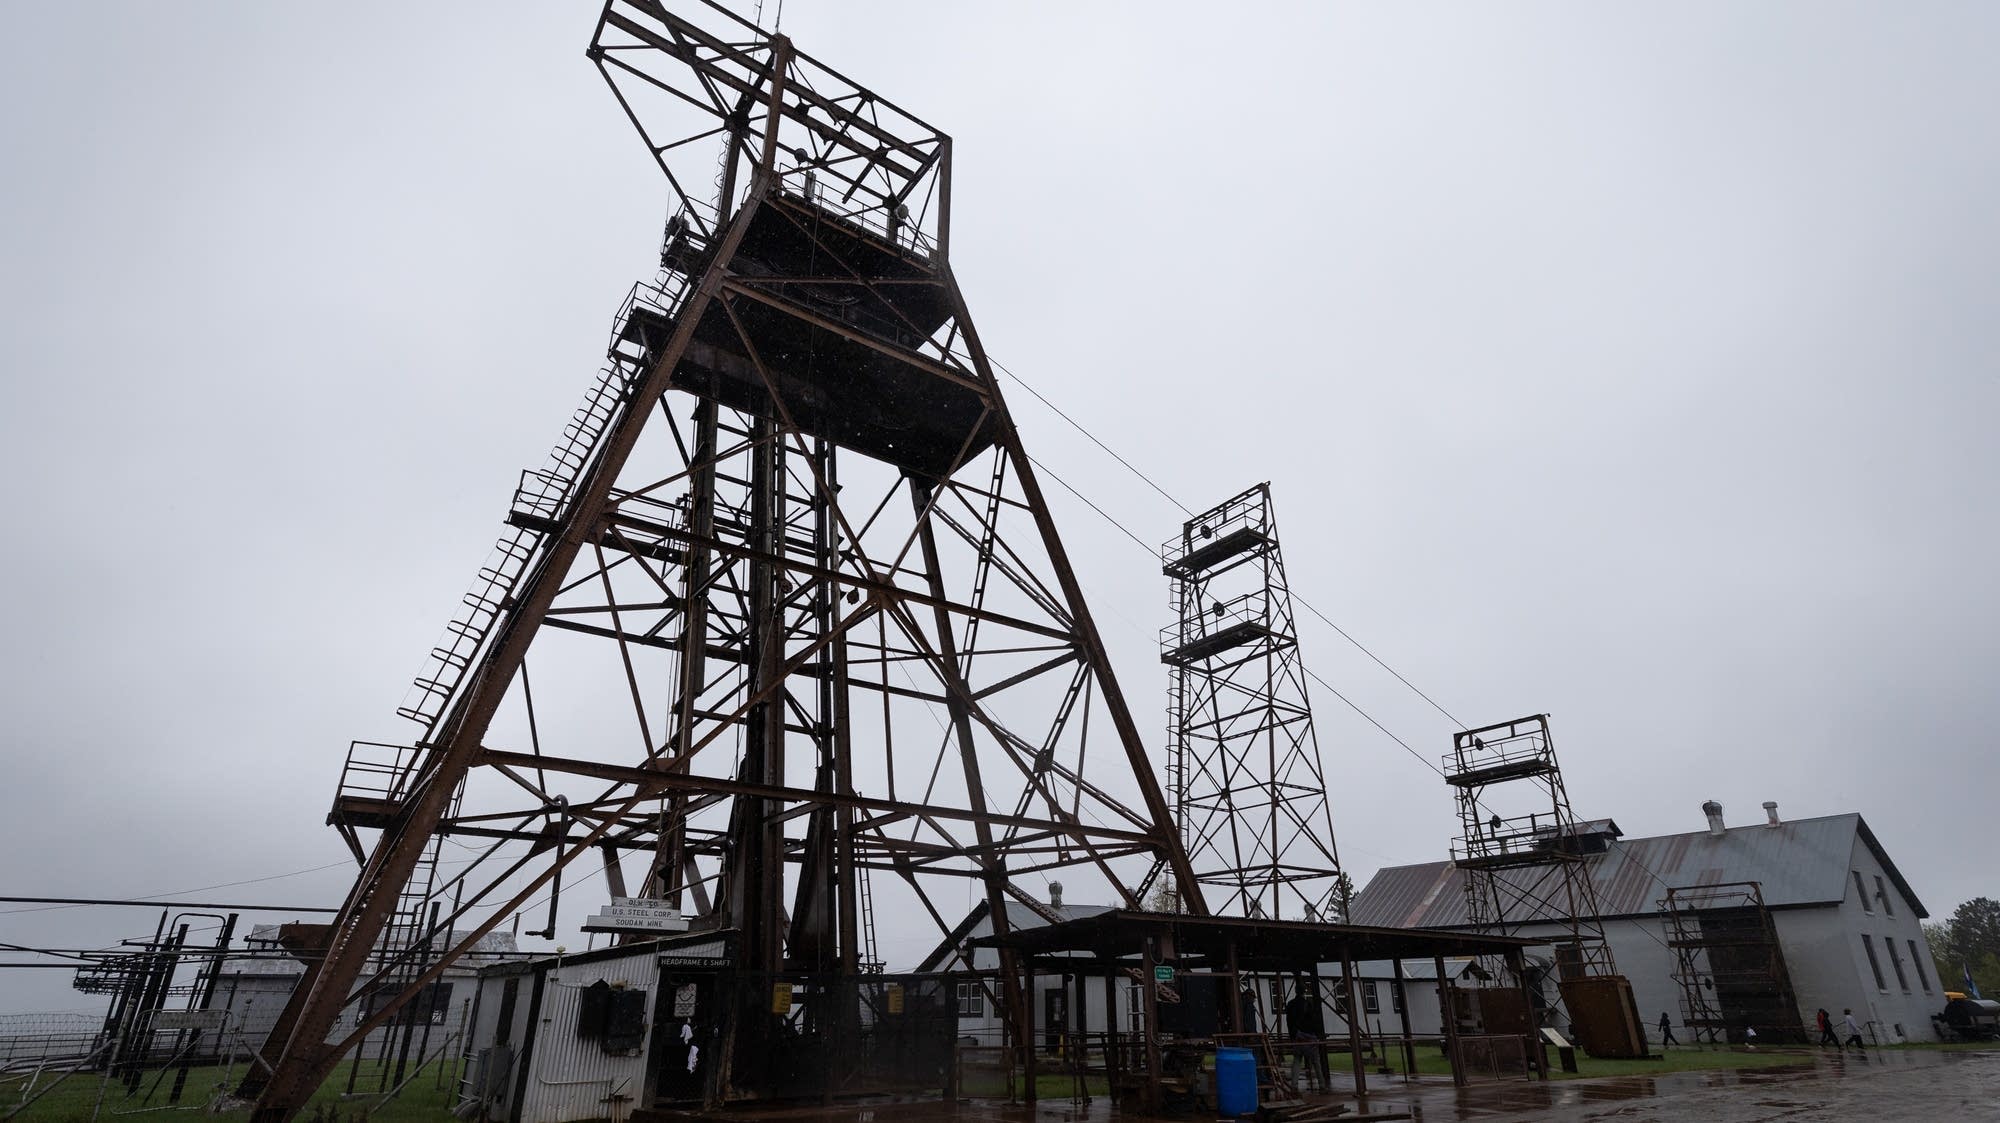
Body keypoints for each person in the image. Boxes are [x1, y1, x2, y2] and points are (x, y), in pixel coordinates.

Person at [1284, 981, 1329, 1091]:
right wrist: (1318, 1035)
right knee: (1316, 1062)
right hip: (1309, 1037)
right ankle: (1322, 1085)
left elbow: (1289, 1022)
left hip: (1297, 1037)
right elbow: (1314, 1021)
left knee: (1297, 1061)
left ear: (1295, 991)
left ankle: (1294, 1086)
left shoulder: (1290, 1004)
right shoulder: (1308, 1004)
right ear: (1304, 992)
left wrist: (1293, 1036)